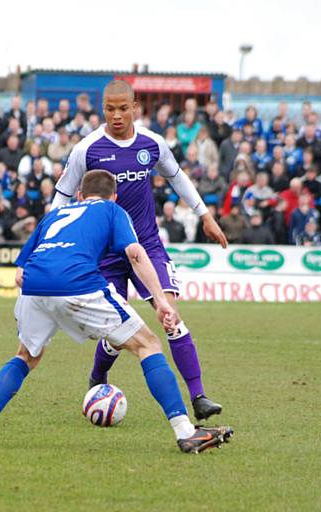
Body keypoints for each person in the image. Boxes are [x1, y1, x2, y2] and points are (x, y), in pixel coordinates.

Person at [0, 171, 233, 453]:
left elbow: (19, 275)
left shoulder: (55, 214)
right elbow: (135, 253)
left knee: (26, 356)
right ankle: (185, 431)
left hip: (34, 286)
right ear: (114, 196)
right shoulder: (113, 210)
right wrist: (161, 300)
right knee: (148, 345)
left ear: (79, 195)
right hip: (78, 282)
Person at [51, 80, 227, 420]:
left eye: (123, 108)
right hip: (106, 253)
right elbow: (61, 196)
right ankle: (98, 376)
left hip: (146, 244)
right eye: (110, 108)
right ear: (103, 109)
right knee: (117, 331)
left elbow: (178, 178)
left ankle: (199, 397)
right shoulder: (86, 150)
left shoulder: (152, 144)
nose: (117, 115)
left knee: (170, 315)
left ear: (135, 108)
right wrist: (53, 241)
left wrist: (204, 215)